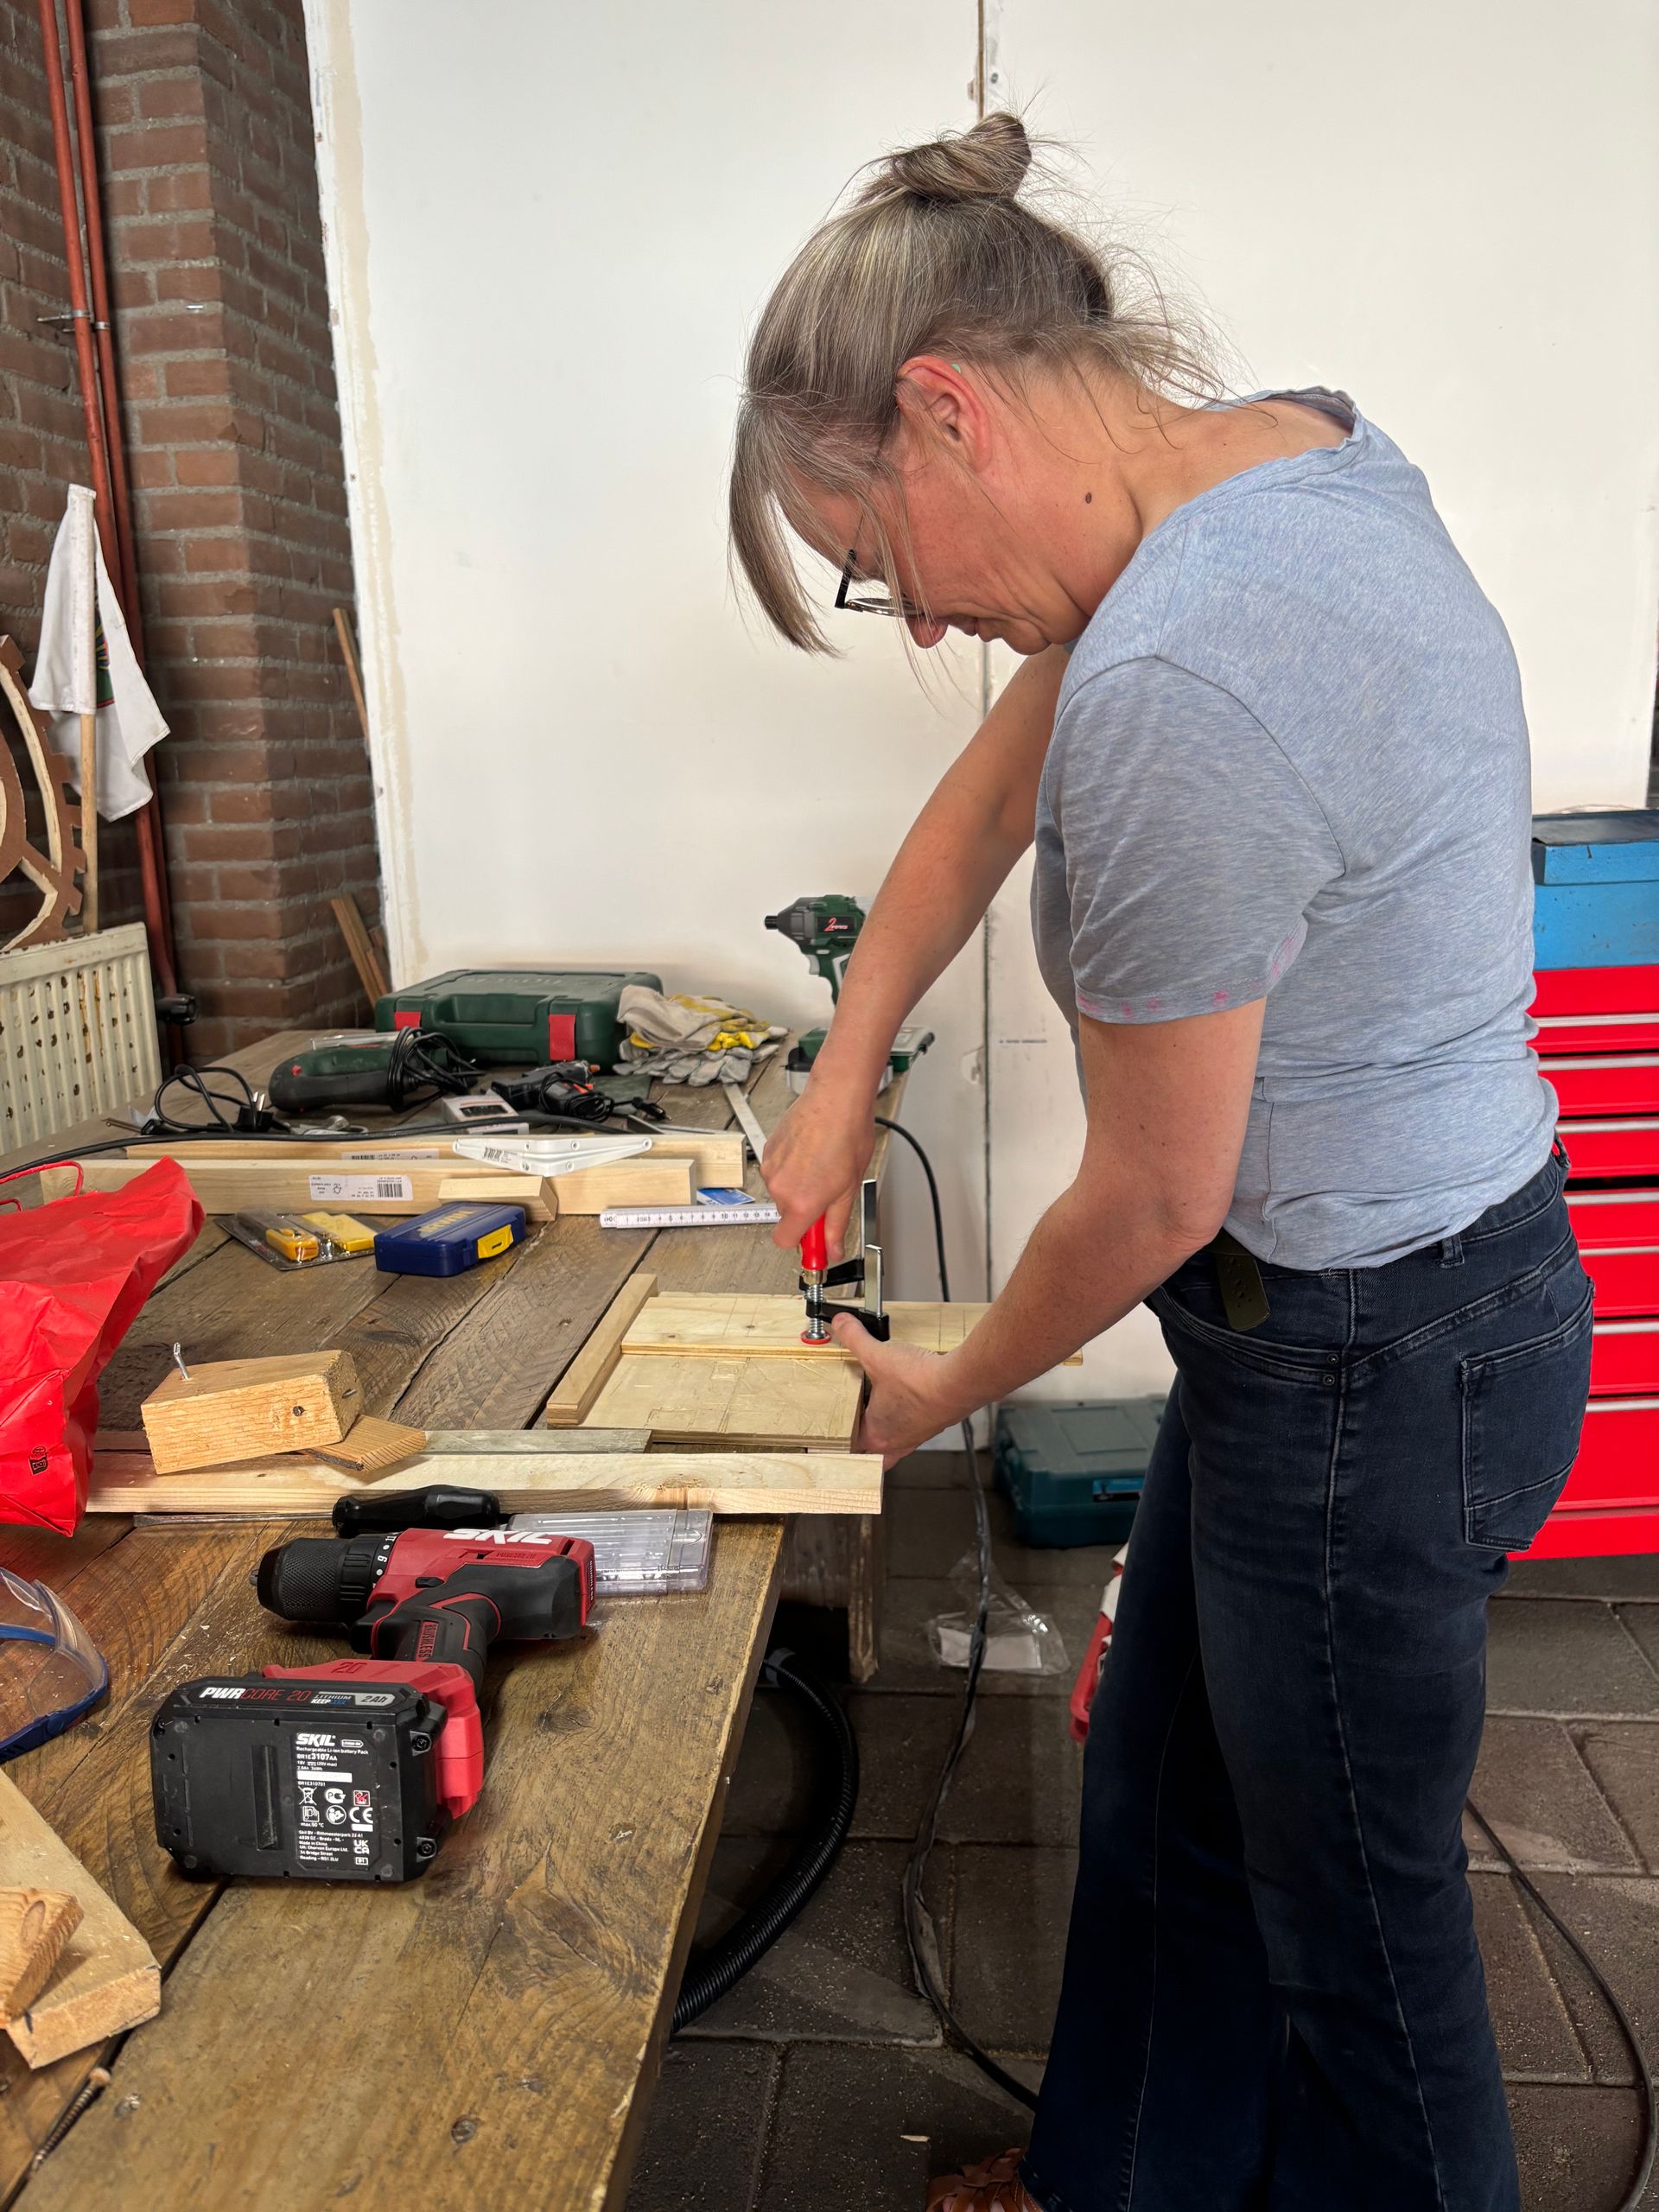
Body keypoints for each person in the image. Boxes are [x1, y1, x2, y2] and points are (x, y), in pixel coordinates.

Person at [729, 111, 1595, 2212]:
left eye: (872, 558)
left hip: (1371, 1354)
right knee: (1168, 1804)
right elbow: (981, 799)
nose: (916, 621)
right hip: (1358, 1315)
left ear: (947, 411)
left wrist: (940, 1386)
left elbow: (1150, 1196)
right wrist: (844, 1071)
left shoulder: (1190, 669)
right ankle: (1114, 2178)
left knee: (1357, 1936)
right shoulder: (1279, 458)